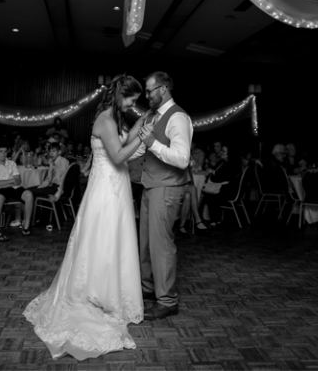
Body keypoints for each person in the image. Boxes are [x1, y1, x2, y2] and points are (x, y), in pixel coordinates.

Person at [23, 74, 153, 360]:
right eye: (131, 99)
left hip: (116, 187)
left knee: (115, 242)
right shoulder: (105, 120)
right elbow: (118, 156)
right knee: (103, 241)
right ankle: (97, 295)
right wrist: (142, 139)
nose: (133, 105)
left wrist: (141, 124)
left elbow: (124, 140)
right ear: (120, 95)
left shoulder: (115, 118)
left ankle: (113, 295)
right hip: (105, 191)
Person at [133, 71, 192, 321]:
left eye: (149, 90)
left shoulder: (178, 117)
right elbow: (140, 149)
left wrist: (153, 144)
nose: (146, 95)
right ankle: (149, 289)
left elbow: (182, 159)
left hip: (168, 187)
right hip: (150, 185)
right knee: (146, 242)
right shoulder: (151, 115)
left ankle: (167, 300)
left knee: (162, 244)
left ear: (164, 89)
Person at [0, 145, 34, 240]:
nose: (3, 154)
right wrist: (11, 180)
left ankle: (26, 226)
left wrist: (7, 182)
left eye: (5, 151)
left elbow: (18, 181)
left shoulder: (12, 163)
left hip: (13, 188)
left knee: (29, 195)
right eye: (1, 151)